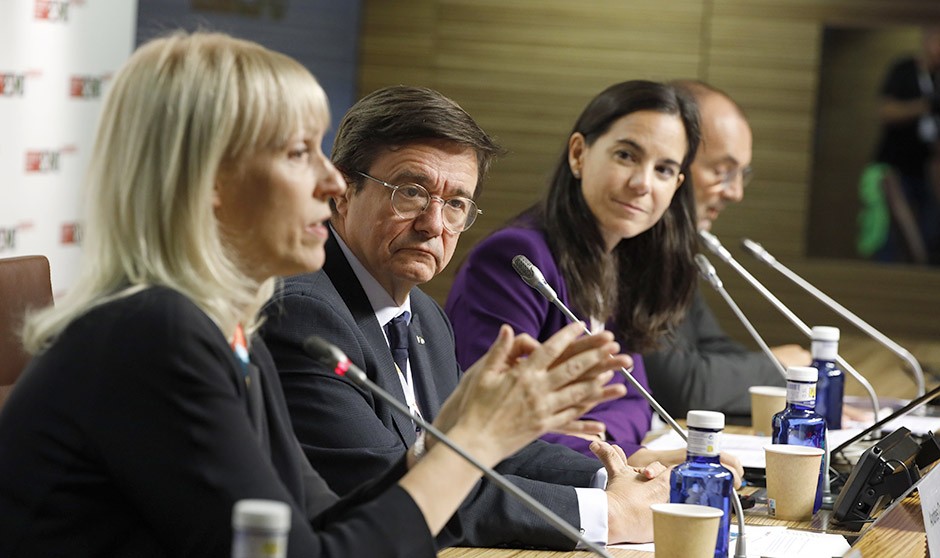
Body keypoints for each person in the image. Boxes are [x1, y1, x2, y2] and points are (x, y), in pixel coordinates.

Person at [0, 33, 628, 558]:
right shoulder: (153, 335)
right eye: (301, 152)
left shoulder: (222, 331)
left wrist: (456, 436)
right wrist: (476, 446)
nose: (332, 182)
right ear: (210, 179)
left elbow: (323, 520)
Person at [260, 85, 679, 549]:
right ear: (342, 191)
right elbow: (401, 491)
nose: (433, 224)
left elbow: (484, 447)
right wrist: (608, 516)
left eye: (456, 204)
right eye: (411, 193)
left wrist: (612, 475)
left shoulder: (425, 316)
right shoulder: (304, 314)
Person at [445, 80, 700, 462]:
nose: (642, 184)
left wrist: (597, 434)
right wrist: (625, 455)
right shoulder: (517, 258)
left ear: (676, 185)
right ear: (579, 154)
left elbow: (636, 404)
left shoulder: (618, 260)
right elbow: (489, 427)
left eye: (663, 169)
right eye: (626, 156)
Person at [643, 80, 810, 418]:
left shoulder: (673, 248)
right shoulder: (632, 248)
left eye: (741, 174)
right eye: (722, 171)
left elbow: (712, 346)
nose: (736, 193)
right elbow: (680, 386)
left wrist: (793, 386)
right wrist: (779, 367)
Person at [861, 26, 940, 264]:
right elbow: (885, 111)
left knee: (928, 232)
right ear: (926, 40)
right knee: (887, 233)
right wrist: (925, 106)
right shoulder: (904, 69)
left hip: (926, 168)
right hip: (893, 166)